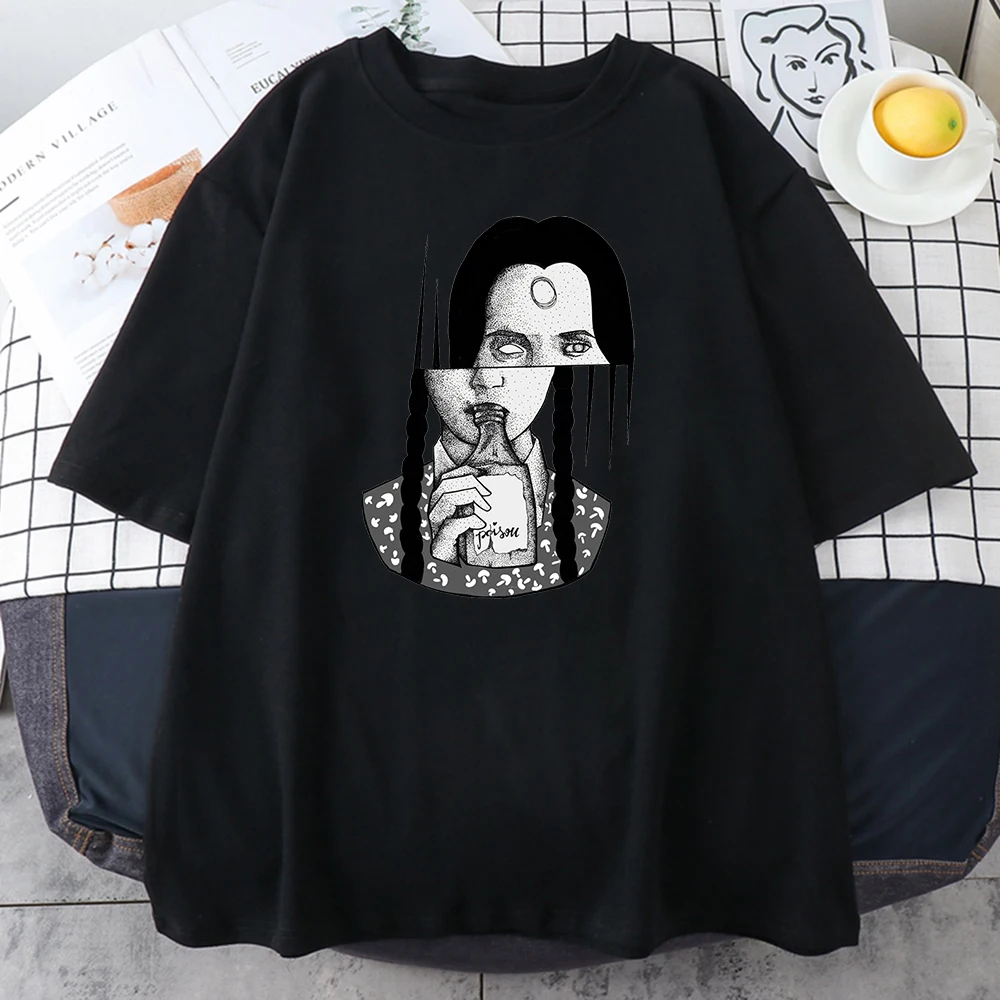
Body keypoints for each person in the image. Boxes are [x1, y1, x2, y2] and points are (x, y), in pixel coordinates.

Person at [363, 216, 634, 597]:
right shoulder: (384, 513)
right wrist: (441, 566)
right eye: (506, 347)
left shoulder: (593, 518)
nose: (486, 380)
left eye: (572, 348)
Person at [741, 4, 873, 183]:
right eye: (796, 66)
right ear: (770, 69)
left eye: (828, 60)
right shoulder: (766, 157)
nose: (813, 84)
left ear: (850, 63)